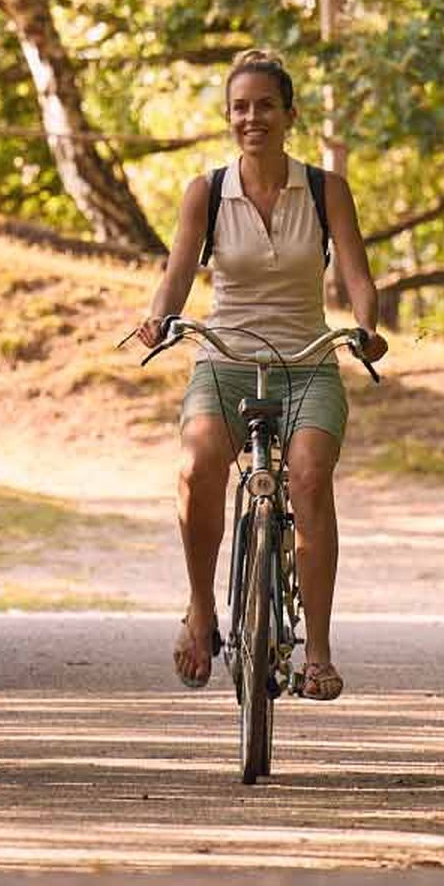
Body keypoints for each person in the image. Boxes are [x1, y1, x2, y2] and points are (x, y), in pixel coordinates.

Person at [129, 49, 385, 701]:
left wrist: (367, 323)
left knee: (307, 477)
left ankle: (318, 653)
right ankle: (201, 610)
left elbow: (356, 272)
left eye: (265, 105)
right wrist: (159, 318)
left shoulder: (326, 190)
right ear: (229, 116)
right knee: (198, 463)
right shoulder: (207, 192)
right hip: (225, 359)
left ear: (289, 113)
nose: (253, 118)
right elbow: (177, 274)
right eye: (240, 107)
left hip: (306, 363)